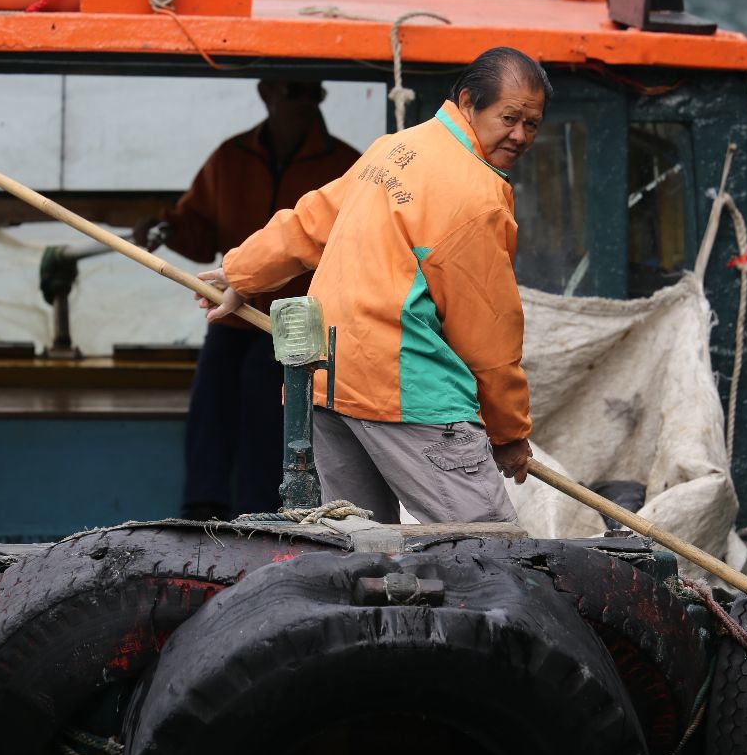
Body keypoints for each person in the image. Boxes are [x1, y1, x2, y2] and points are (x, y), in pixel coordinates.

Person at [195, 47, 551, 524]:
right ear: (469, 102)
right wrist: (508, 434)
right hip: (403, 391)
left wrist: (243, 273)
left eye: (532, 124)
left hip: (325, 385)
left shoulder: (394, 149)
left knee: (359, 549)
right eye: (510, 118)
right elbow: (488, 334)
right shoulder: (475, 195)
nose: (520, 135)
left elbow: (312, 220)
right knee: (490, 550)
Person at [135, 80, 361, 521]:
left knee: (271, 423)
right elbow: (199, 229)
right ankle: (201, 517)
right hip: (232, 316)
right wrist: (168, 229)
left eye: (315, 94)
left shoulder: (344, 165)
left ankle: (266, 519)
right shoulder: (231, 158)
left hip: (297, 325)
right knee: (209, 414)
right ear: (267, 92)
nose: (309, 103)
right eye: (296, 92)